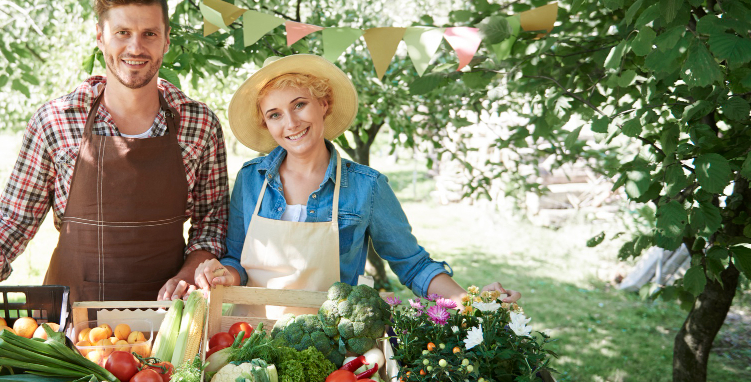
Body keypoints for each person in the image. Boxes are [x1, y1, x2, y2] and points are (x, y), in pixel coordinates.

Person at [0, 0, 229, 319]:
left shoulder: (199, 124)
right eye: (122, 33)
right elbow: (13, 220)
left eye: (149, 34)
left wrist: (187, 276)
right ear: (100, 37)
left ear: (166, 40)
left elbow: (212, 223)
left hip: (167, 320)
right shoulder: (57, 120)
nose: (136, 47)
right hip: (70, 321)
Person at [192, 54, 519, 316]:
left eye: (299, 105)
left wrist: (468, 301)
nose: (290, 123)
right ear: (266, 123)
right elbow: (236, 259)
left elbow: (413, 265)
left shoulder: (367, 188)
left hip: (330, 347)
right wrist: (224, 273)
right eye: (275, 114)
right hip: (250, 335)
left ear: (324, 104)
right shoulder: (251, 179)